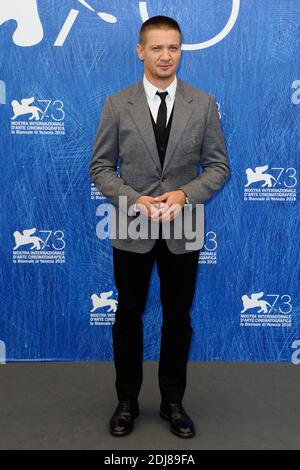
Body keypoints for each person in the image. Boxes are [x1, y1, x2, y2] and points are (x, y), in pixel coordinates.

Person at [90, 15, 230, 438]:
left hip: (183, 224)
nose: (165, 56)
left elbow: (219, 166)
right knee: (128, 315)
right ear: (140, 51)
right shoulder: (117, 104)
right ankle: (127, 401)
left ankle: (173, 401)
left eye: (173, 48)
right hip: (133, 224)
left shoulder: (203, 104)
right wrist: (135, 200)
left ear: (181, 51)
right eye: (156, 48)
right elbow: (99, 167)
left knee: (177, 317)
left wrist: (185, 196)